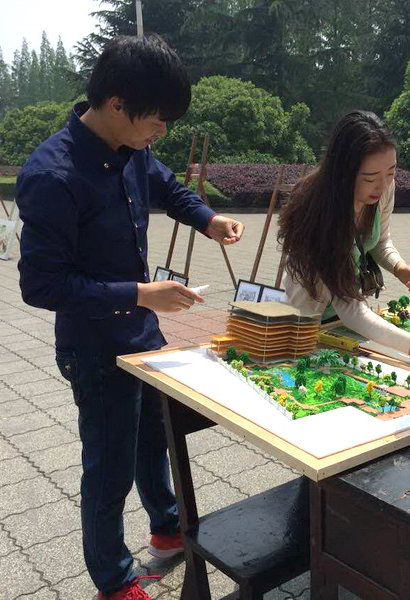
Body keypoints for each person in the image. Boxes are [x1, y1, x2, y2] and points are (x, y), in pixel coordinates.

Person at [16, 35, 244, 600]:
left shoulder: (131, 147)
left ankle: (166, 529)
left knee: (153, 440)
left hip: (143, 333)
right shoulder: (52, 174)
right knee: (110, 467)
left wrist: (208, 219)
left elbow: (168, 187)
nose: (161, 131)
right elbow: (42, 285)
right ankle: (114, 580)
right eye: (157, 119)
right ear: (117, 104)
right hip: (94, 348)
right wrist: (140, 294)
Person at [279, 111, 410, 371]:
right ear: (343, 174)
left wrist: (399, 267)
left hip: (343, 324)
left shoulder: (382, 191)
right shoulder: (320, 217)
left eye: (391, 172)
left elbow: (379, 240)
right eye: (370, 178)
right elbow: (351, 309)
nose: (383, 185)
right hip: (307, 323)